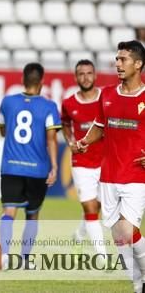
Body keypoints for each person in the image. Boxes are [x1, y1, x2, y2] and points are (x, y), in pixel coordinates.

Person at [76, 40, 145, 293]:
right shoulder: (107, 94)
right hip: (108, 176)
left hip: (137, 175)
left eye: (123, 59)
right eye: (117, 59)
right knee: (119, 238)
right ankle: (138, 284)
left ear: (138, 64)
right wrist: (85, 141)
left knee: (128, 230)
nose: (117, 63)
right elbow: (99, 126)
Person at [0, 63, 61, 271]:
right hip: (37, 169)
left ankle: (5, 257)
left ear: (22, 80)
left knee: (9, 211)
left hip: (11, 167)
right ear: (42, 82)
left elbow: (2, 130)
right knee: (32, 214)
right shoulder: (49, 106)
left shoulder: (8, 102)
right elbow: (52, 139)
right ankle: (25, 259)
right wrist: (54, 166)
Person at [61, 59, 108, 263]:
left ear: (95, 75)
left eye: (89, 73)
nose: (85, 77)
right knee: (89, 208)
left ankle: (79, 234)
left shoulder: (106, 98)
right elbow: (64, 123)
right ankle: (103, 258)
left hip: (107, 161)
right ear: (75, 77)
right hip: (82, 162)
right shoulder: (69, 103)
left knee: (100, 207)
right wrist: (70, 140)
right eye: (81, 73)